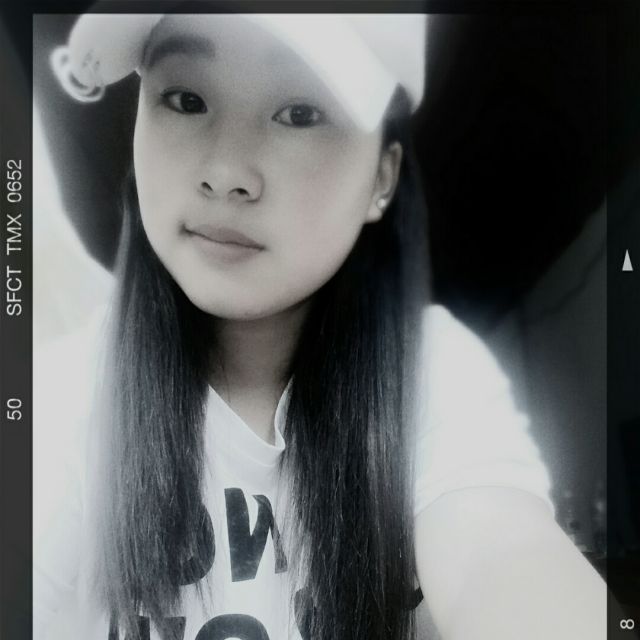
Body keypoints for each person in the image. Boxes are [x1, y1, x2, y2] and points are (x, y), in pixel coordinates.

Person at [33, 10, 607, 640]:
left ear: (381, 178)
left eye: (300, 113)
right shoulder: (60, 397)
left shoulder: (433, 373)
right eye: (185, 99)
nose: (225, 173)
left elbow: (495, 557)